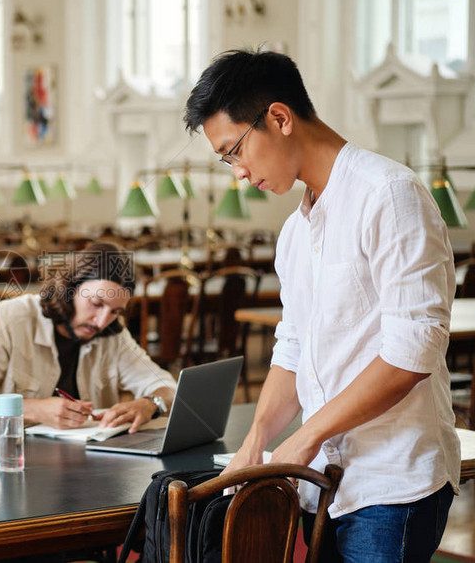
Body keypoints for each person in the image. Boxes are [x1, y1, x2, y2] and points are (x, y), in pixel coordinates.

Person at [184, 49, 459, 561]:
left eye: (234, 151)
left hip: (390, 483)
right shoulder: (296, 230)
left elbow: (412, 353)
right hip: (325, 482)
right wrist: (257, 440)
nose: (238, 173)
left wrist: (305, 438)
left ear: (280, 118)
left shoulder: (389, 195)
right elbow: (294, 347)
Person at [0, 242, 177, 433]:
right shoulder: (7, 320)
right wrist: (31, 410)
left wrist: (149, 404)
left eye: (116, 311)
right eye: (96, 303)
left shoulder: (112, 331)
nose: (102, 321)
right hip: (6, 460)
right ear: (69, 290)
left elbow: (166, 387)